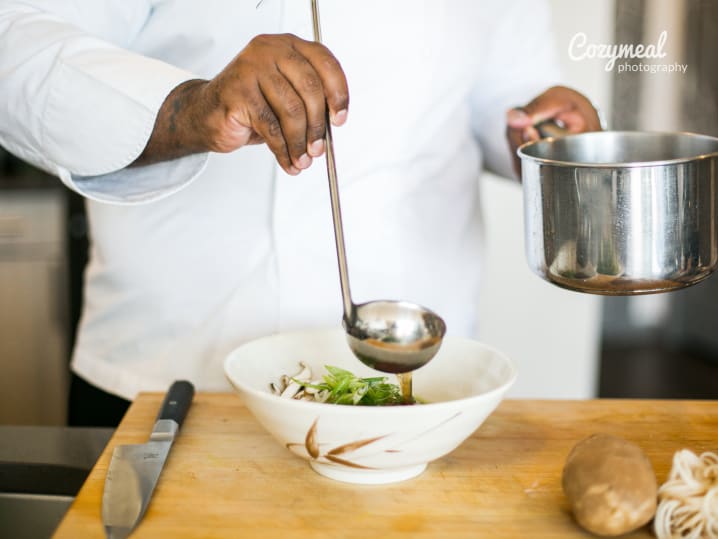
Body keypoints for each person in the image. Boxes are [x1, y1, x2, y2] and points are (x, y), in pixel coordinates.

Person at [0, 0, 601, 426]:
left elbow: (507, 93)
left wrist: (544, 131)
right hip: (167, 370)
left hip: (419, 387)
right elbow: (15, 44)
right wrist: (194, 107)